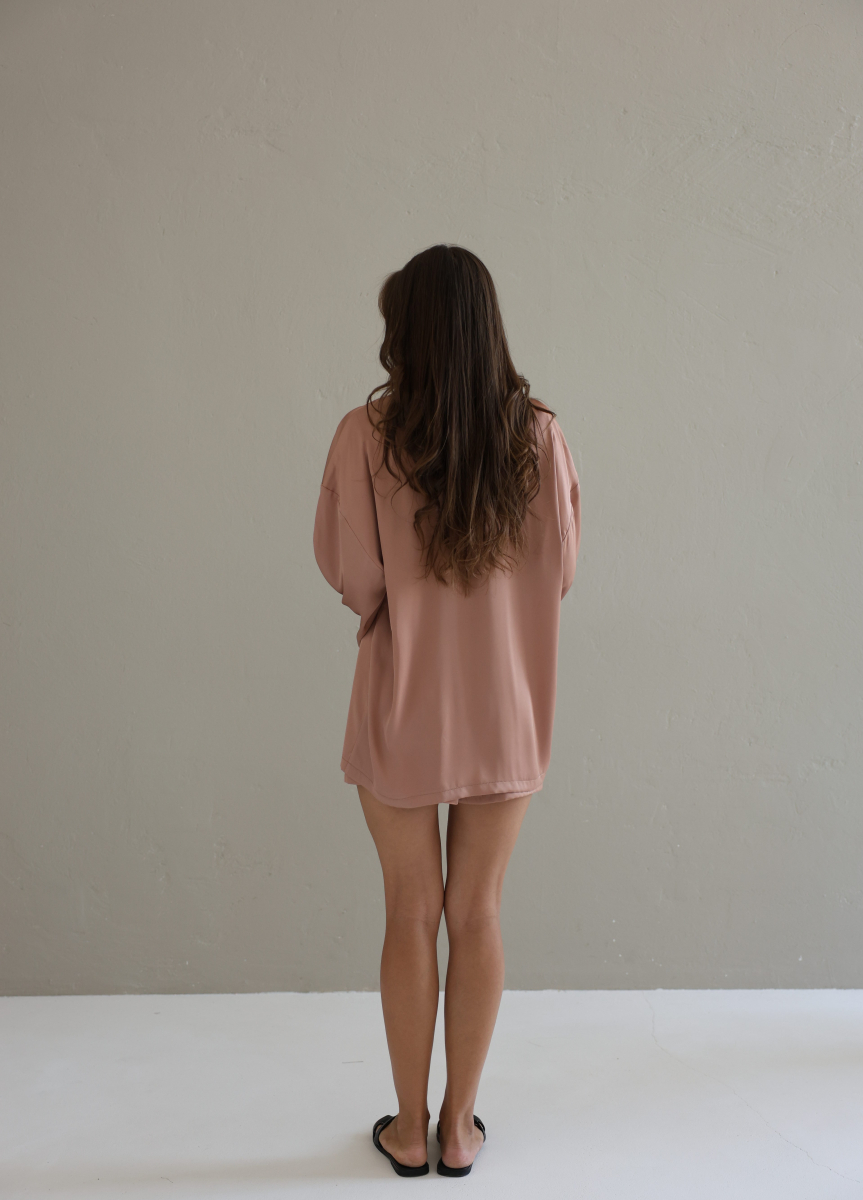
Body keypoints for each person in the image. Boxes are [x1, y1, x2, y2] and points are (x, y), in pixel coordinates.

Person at [313, 244, 580, 1177]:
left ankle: (409, 1127)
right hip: (506, 710)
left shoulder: (366, 436)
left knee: (409, 909)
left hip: (403, 703)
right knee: (478, 910)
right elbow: (561, 571)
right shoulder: (540, 438)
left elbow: (353, 577)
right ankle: (461, 1128)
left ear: (409, 332)